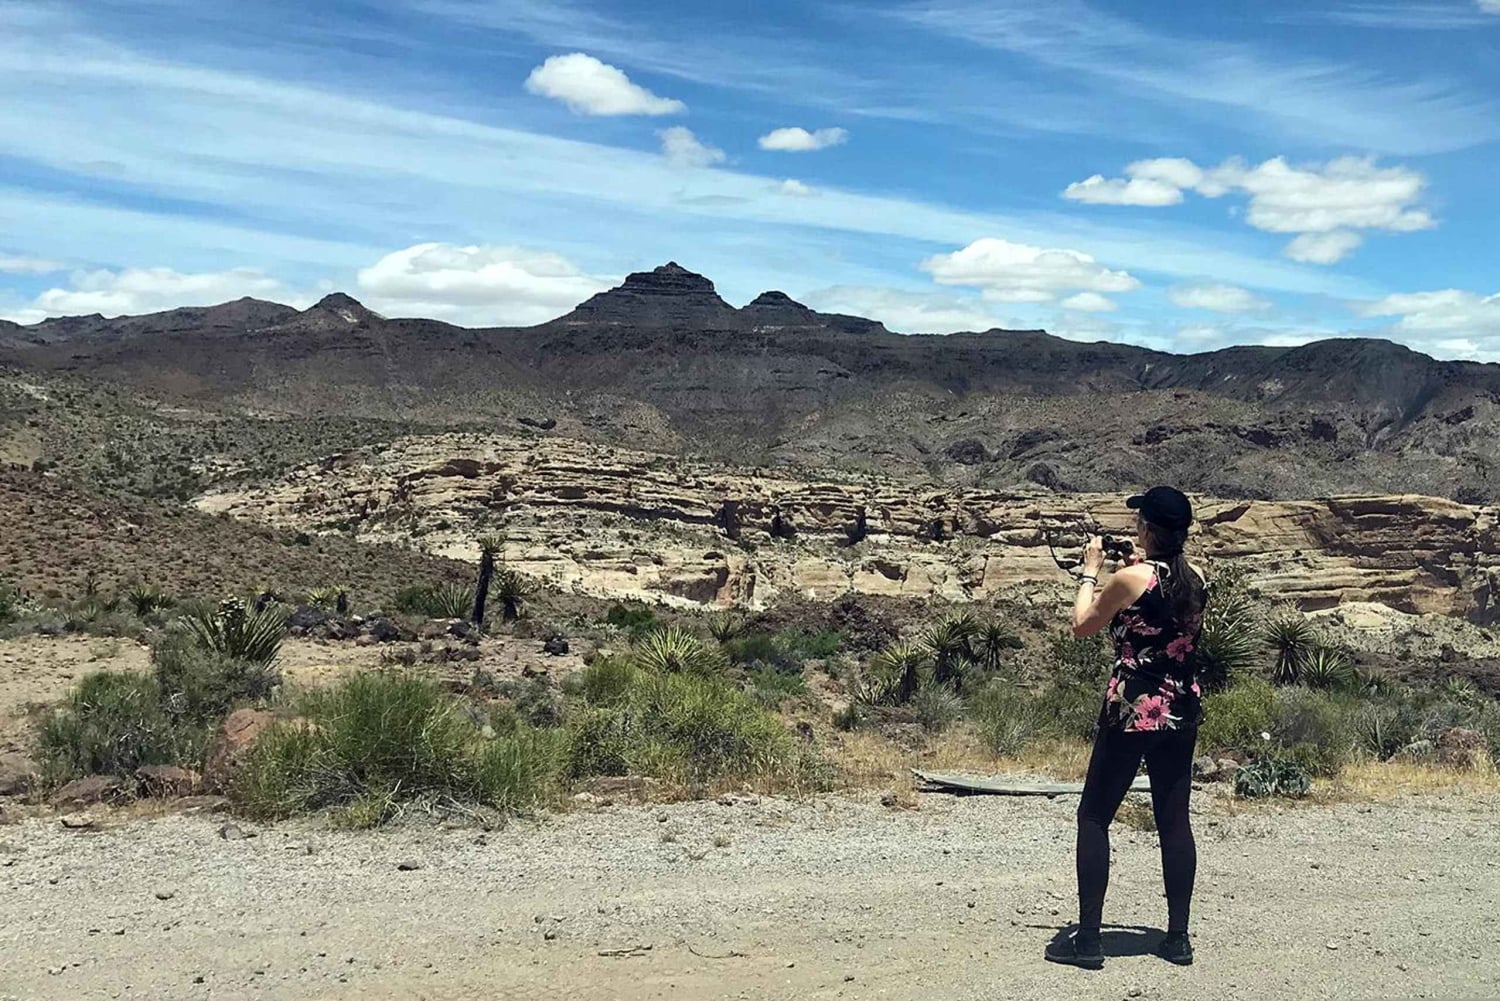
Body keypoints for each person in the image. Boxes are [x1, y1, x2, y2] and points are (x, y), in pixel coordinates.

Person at [1044, 486, 1208, 971]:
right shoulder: (1197, 576)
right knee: (1173, 820)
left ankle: (1089, 941)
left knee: (1094, 816)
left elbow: (1082, 625)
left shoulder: (1128, 579)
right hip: (1180, 706)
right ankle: (1178, 938)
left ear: (1149, 528)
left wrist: (1089, 574)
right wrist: (1139, 562)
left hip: (1132, 706)